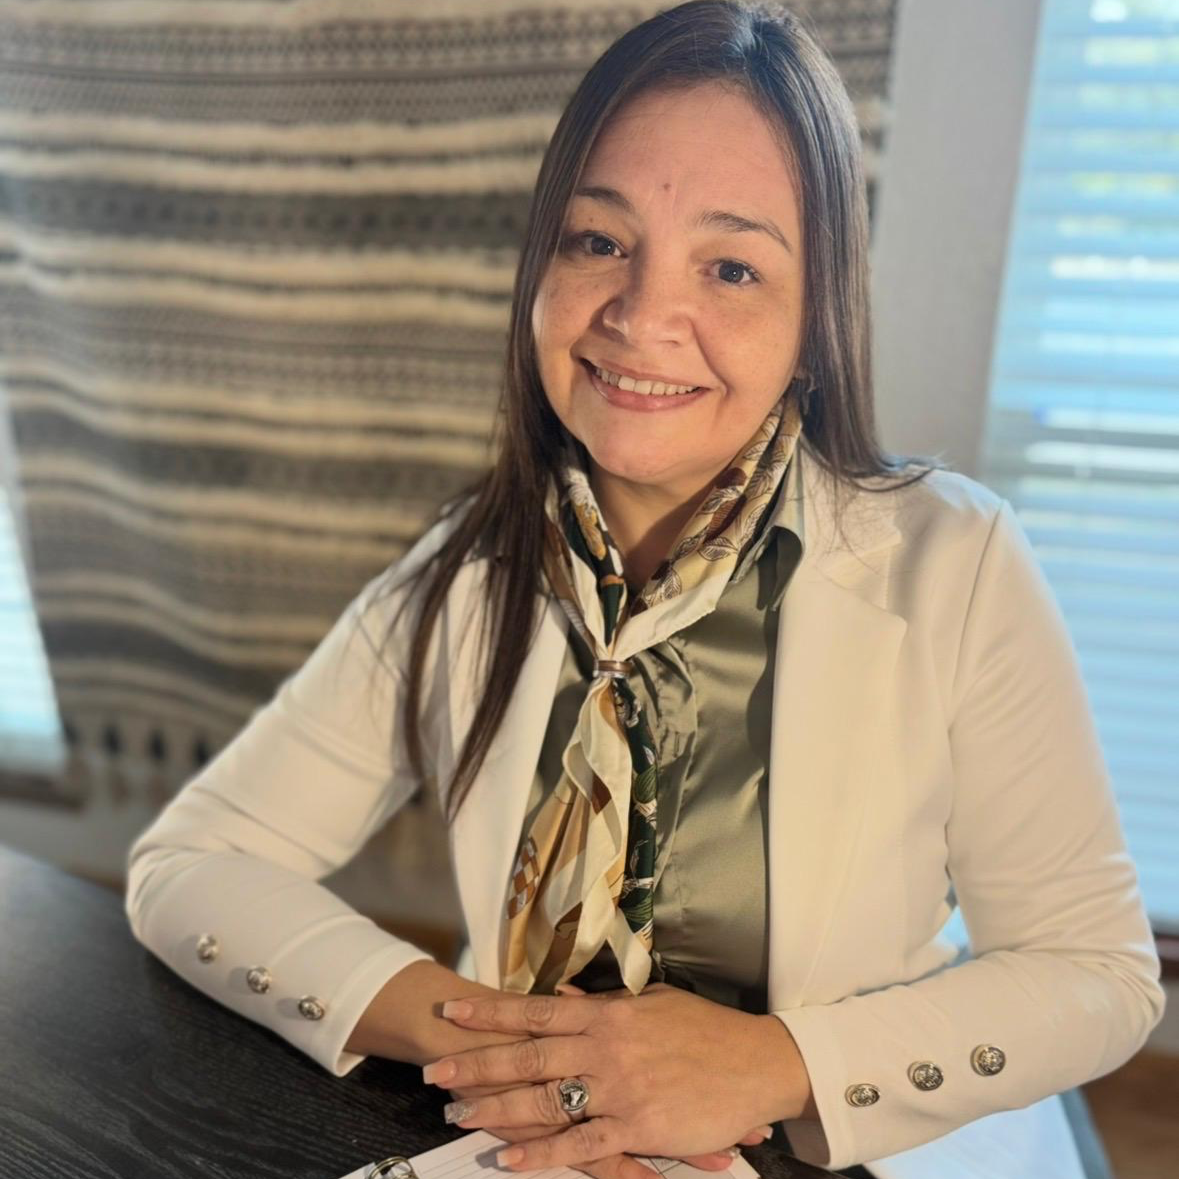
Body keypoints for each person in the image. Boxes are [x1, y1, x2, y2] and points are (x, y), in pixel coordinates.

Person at [124, 3, 1165, 1178]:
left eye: (731, 266)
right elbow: (189, 866)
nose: (642, 318)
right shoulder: (463, 579)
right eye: (597, 242)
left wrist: (774, 1063)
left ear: (815, 321)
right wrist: (500, 1043)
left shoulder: (953, 561)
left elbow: (1099, 976)